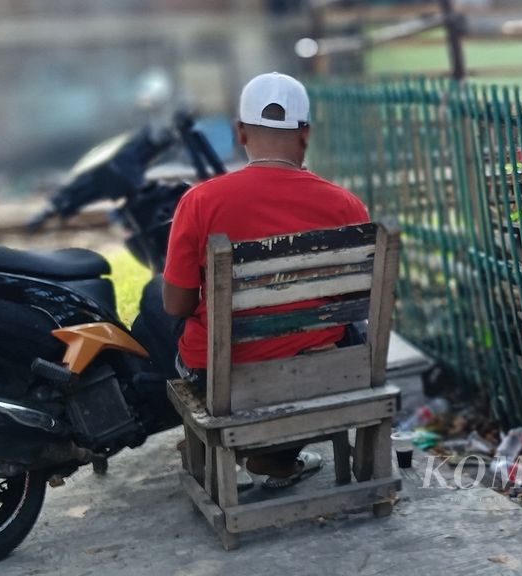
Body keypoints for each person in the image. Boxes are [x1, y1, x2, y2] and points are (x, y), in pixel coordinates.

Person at [133, 72, 369, 489]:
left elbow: (177, 306)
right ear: (305, 135)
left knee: (157, 304)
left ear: (240, 131)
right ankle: (275, 457)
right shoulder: (346, 205)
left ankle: (225, 446)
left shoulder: (201, 201)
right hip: (323, 373)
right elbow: (355, 301)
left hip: (227, 380)